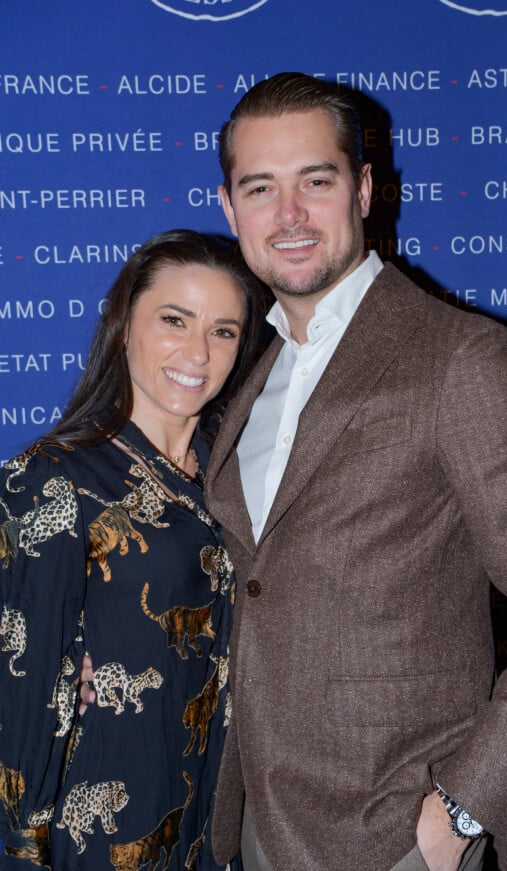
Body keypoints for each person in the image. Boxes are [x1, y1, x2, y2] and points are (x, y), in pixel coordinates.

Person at [202, 73, 507, 871]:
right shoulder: (254, 373)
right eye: (261, 188)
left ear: (365, 188)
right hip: (255, 825)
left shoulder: (458, 361)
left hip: (396, 838)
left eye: (318, 180)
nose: (290, 214)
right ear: (231, 209)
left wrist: (459, 810)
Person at [0, 229, 267, 870]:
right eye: (174, 320)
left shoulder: (242, 480)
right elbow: (21, 705)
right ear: (124, 327)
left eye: (223, 331)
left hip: (213, 828)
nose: (197, 352)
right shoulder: (55, 479)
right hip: (93, 834)